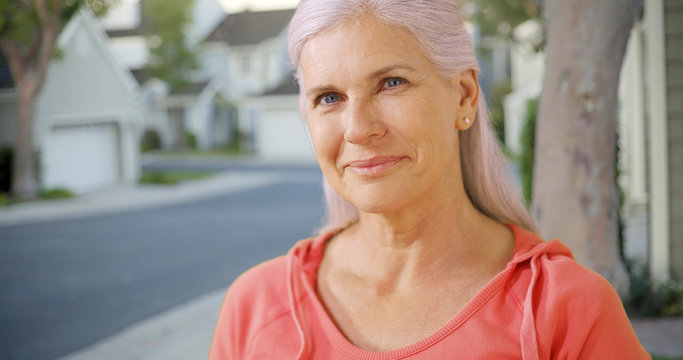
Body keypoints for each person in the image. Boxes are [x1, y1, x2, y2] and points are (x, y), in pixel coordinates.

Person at [209, 0, 651, 358]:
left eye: (391, 83)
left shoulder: (567, 310)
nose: (358, 128)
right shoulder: (255, 306)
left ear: (464, 95)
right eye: (329, 97)